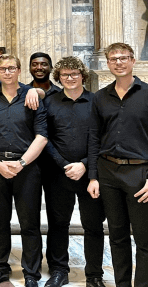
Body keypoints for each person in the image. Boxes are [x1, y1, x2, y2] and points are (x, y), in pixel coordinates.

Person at [0, 54, 48, 287]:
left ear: (19, 70)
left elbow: (42, 135)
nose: (7, 72)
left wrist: (22, 163)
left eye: (11, 68)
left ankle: (31, 272)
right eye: (3, 69)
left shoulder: (31, 96)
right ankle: (0, 267)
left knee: (29, 223)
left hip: (26, 168)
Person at [41, 57, 105, 287]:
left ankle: (94, 275)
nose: (70, 78)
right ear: (58, 77)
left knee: (94, 225)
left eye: (74, 74)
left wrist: (84, 165)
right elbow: (43, 137)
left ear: (83, 76)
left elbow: (103, 138)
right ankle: (59, 270)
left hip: (91, 175)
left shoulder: (96, 101)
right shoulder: (50, 101)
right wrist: (63, 164)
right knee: (58, 224)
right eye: (65, 75)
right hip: (58, 174)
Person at [88, 43, 148, 287]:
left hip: (140, 173)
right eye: (113, 59)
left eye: (123, 58)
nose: (119, 62)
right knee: (117, 236)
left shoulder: (147, 94)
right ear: (108, 64)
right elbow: (93, 137)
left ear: (133, 61)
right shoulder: (100, 97)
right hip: (108, 172)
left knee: (144, 240)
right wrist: (93, 176)